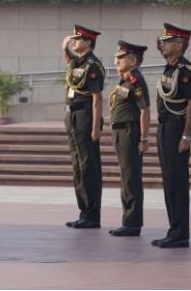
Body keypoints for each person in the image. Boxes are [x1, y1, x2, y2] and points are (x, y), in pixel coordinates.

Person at [153, 23, 191, 248]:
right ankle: (173, 230)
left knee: (177, 183)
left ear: (178, 45)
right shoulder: (170, 67)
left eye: (167, 41)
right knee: (169, 182)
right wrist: (159, 44)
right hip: (164, 127)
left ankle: (181, 234)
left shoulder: (185, 70)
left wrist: (186, 136)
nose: (162, 44)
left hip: (177, 128)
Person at [61, 24, 105, 229]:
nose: (74, 41)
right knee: (78, 166)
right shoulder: (78, 62)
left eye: (78, 39)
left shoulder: (93, 65)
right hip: (73, 116)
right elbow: (70, 66)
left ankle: (92, 215)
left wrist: (95, 128)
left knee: (89, 166)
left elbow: (97, 99)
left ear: (88, 42)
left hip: (86, 116)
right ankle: (84, 211)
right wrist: (65, 49)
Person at [108, 40, 150, 237]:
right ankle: (128, 220)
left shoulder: (135, 80)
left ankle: (132, 223)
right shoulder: (125, 79)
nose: (116, 61)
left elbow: (145, 110)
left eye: (120, 58)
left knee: (131, 179)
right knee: (126, 178)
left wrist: (144, 139)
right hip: (120, 133)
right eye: (116, 57)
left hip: (130, 133)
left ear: (133, 60)